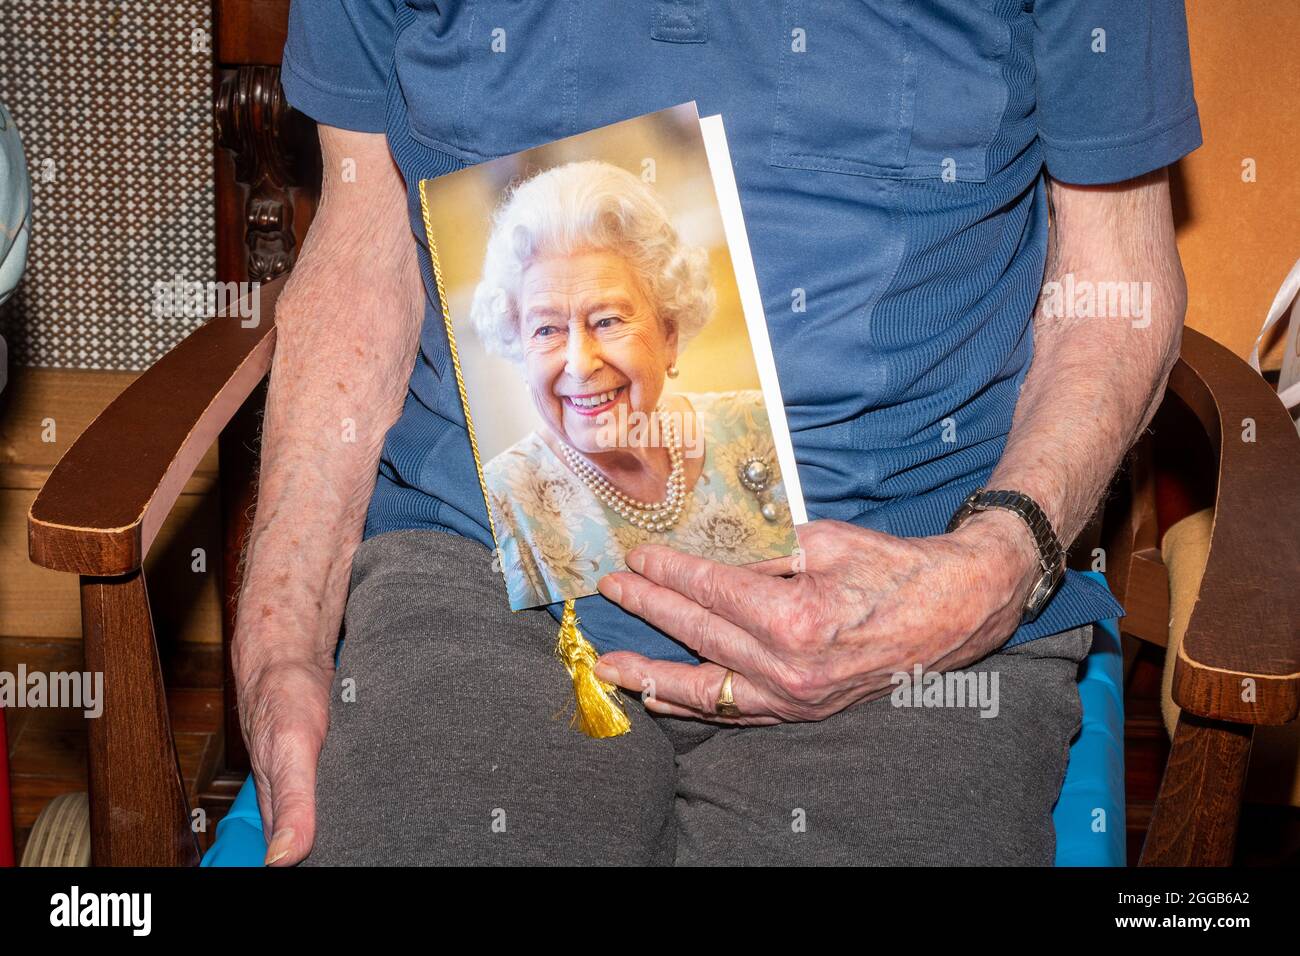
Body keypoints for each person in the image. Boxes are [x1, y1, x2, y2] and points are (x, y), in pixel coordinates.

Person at [235, 0, 1199, 865]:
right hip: (482, 571)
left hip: (906, 587)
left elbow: (1114, 288)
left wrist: (993, 567)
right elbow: (360, 245)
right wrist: (283, 625)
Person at [473, 161, 796, 609]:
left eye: (607, 321)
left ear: (668, 334)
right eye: (546, 330)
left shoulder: (761, 424)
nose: (580, 364)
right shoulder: (499, 506)